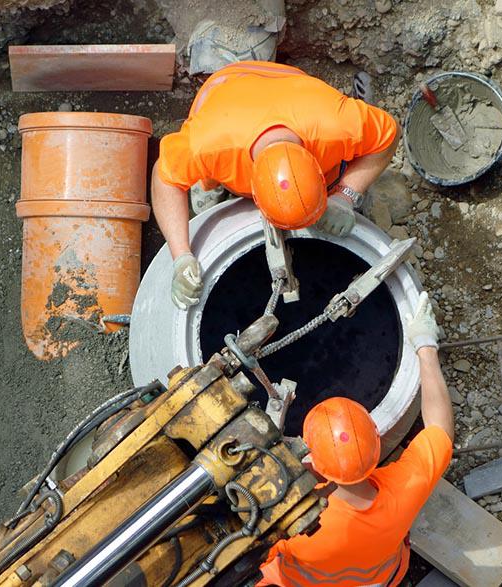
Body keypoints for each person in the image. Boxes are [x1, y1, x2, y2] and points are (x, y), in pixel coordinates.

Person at [152, 61, 401, 310]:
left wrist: (345, 195)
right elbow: (164, 178)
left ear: (316, 165)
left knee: (353, 157)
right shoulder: (207, 147)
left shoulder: (339, 128)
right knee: (206, 183)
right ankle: (216, 184)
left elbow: (389, 134)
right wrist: (181, 256)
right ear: (252, 190)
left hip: (295, 87)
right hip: (226, 88)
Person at [257, 291, 453, 587]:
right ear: (376, 444)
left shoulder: (292, 524)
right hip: (384, 578)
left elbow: (240, 555)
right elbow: (440, 429)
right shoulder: (402, 492)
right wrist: (426, 346)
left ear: (312, 460)